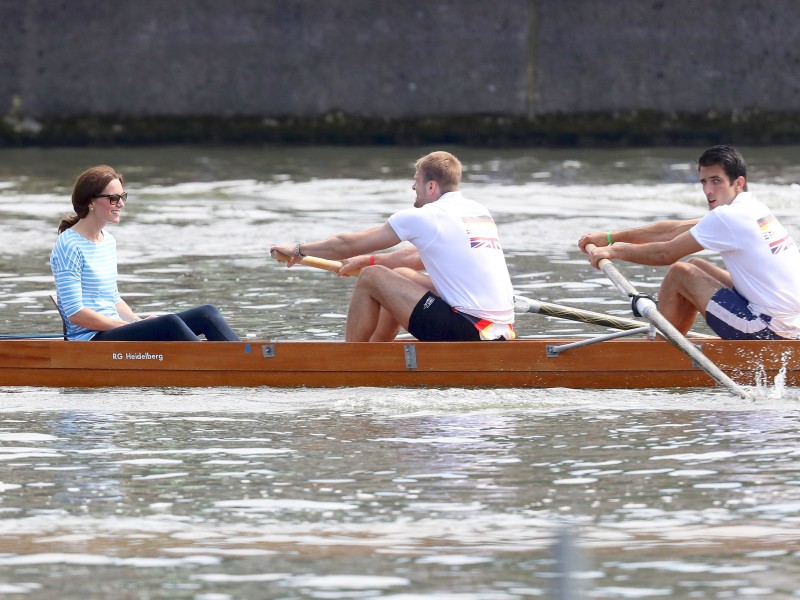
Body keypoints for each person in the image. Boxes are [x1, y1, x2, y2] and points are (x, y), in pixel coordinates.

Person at [270, 151, 515, 342]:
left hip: (466, 330)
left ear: (431, 186)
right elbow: (417, 256)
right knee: (401, 276)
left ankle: (349, 363)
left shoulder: (425, 216)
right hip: (500, 330)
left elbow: (347, 244)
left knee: (370, 278)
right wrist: (368, 259)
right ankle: (379, 352)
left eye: (416, 181)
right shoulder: (478, 211)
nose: (412, 187)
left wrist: (300, 249)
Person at [579, 145, 800, 340]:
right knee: (697, 265)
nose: (708, 191)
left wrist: (614, 252)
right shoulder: (752, 207)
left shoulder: (728, 216)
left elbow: (665, 254)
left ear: (738, 183)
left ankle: (658, 356)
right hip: (790, 326)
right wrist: (610, 237)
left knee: (680, 273)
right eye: (704, 182)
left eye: (716, 181)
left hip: (769, 331)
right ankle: (675, 346)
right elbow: (671, 230)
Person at [50, 165, 241, 342]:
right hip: (90, 339)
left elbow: (113, 299)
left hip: (114, 330)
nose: (121, 204)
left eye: (122, 197)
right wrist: (133, 326)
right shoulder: (68, 245)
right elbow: (75, 313)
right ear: (91, 201)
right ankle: (217, 367)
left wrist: (137, 321)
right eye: (113, 198)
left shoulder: (107, 240)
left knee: (207, 314)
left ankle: (245, 362)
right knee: (169, 323)